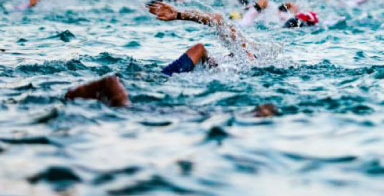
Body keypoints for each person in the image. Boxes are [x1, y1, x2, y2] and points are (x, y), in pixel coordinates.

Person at [65, 74, 279, 117]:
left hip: (133, 115)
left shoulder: (238, 116)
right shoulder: (238, 115)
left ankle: (72, 97)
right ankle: (72, 97)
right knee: (110, 82)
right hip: (147, 114)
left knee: (110, 82)